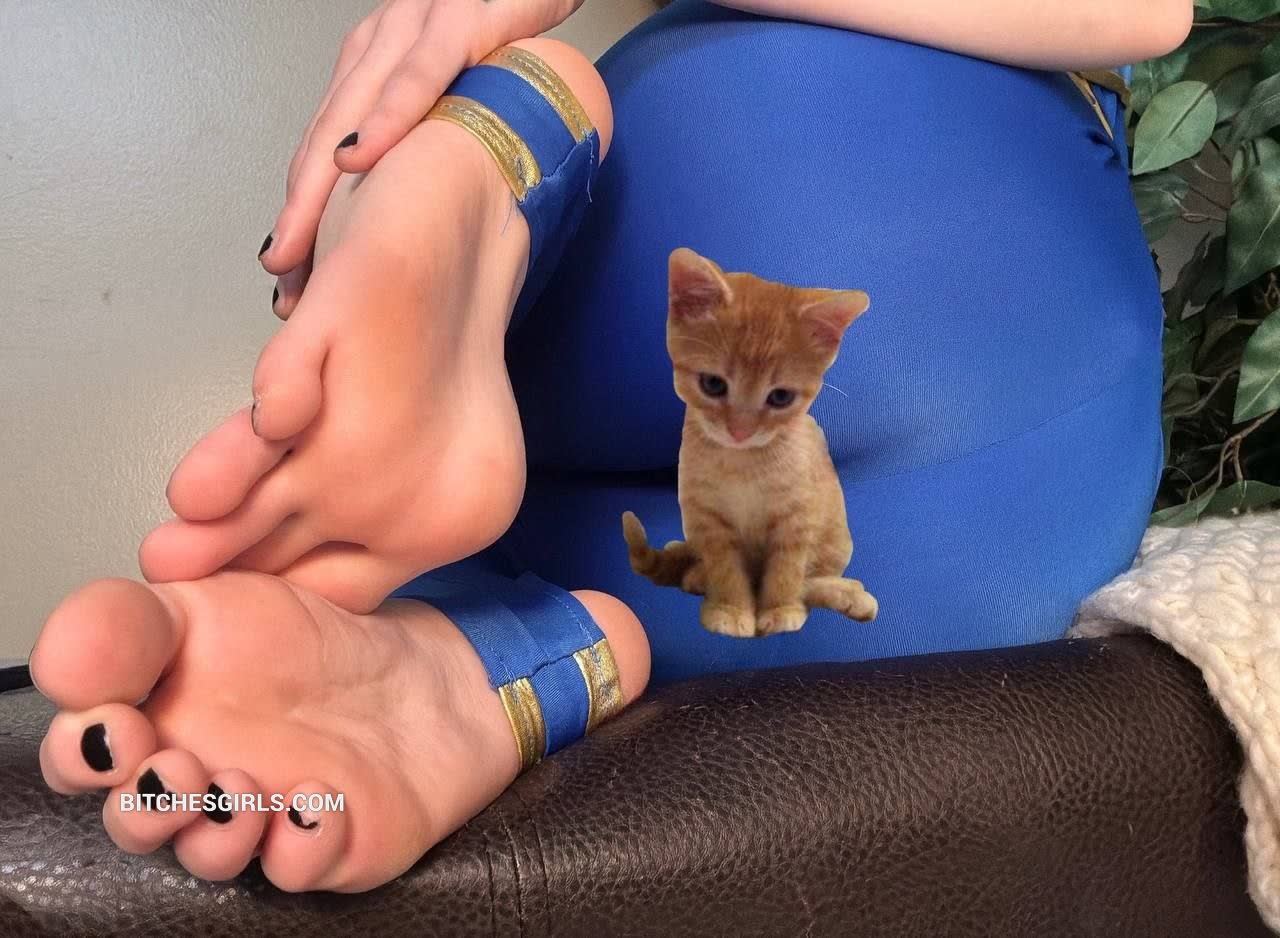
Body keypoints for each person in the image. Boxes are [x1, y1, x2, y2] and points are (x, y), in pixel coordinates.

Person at [29, 0, 1193, 894]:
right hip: (930, 189)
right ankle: (498, 631)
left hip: (692, 171)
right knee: (967, 579)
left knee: (852, 561)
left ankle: (511, 160)